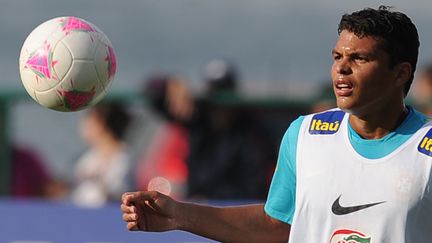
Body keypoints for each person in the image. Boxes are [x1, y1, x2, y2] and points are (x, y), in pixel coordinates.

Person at [121, 6, 432, 242]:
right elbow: (276, 225)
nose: (342, 69)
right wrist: (178, 214)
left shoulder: (426, 148)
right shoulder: (305, 135)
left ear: (400, 73)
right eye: (337, 57)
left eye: (359, 59)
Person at [72, 101, 132, 207]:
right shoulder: (88, 158)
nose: (83, 126)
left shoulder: (124, 159)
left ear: (102, 123)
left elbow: (118, 194)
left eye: (89, 121)